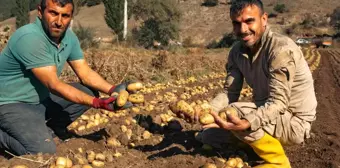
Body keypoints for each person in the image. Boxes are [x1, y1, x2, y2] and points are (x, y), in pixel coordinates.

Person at [180, 0, 317, 167]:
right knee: (208, 135)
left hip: (293, 121)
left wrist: (249, 122)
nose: (243, 30)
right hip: (268, 117)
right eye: (237, 24)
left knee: (234, 114)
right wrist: (206, 111)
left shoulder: (280, 50)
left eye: (249, 21)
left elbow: (279, 103)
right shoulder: (237, 52)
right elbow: (229, 93)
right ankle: (254, 143)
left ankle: (279, 162)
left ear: (264, 19)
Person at [0, 0, 133, 155]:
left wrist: (112, 89)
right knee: (42, 152)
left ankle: (53, 129)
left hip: (41, 100)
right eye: (53, 13)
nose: (58, 21)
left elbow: (85, 73)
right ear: (40, 12)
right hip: (11, 104)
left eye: (65, 16)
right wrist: (98, 103)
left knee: (89, 90)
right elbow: (53, 84)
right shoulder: (30, 38)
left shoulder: (68, 37)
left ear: (71, 17)